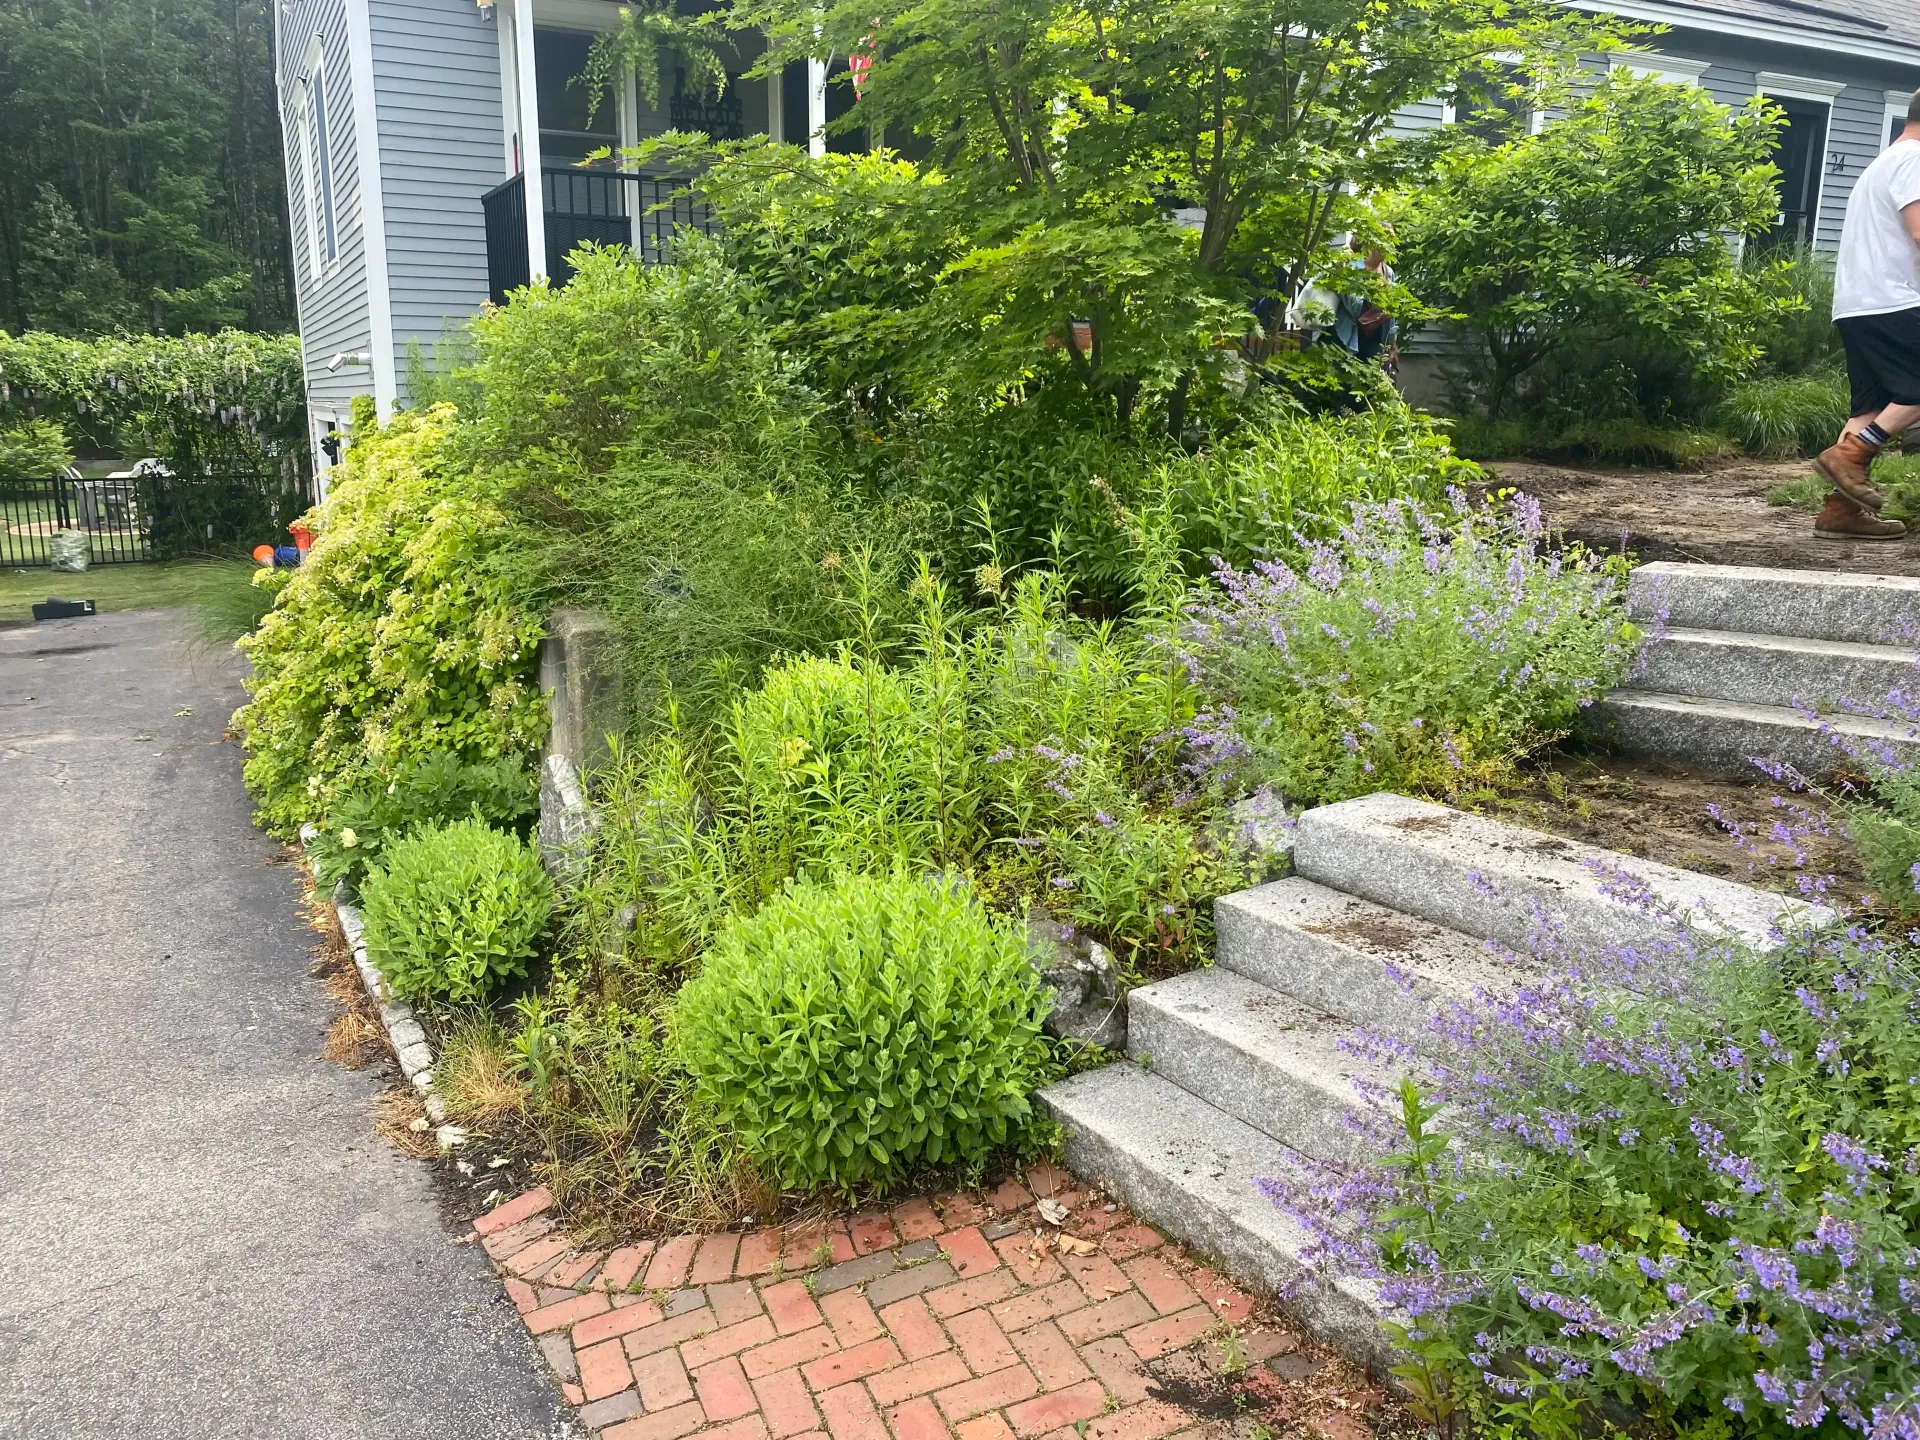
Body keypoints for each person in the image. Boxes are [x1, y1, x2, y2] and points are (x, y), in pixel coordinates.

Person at [1814, 88, 1920, 540]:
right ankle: (1853, 454)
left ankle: (1839, 511)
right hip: (1893, 299)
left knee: (1872, 406)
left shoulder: (1883, 162)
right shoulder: (1915, 160)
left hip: (1858, 303)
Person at [1332, 234, 1399, 368]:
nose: (1391, 244)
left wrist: (1392, 346)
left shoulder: (1388, 272)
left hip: (1376, 339)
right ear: (1373, 240)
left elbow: (1391, 313)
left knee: (1386, 380)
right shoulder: (1352, 265)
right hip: (1348, 337)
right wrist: (1370, 271)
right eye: (1387, 238)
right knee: (1347, 385)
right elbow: (1354, 306)